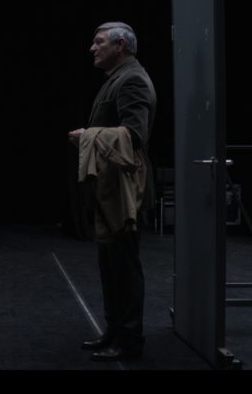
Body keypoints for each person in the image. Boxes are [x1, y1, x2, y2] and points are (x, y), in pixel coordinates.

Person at [68, 21, 156, 362]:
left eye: (99, 42)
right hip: (111, 190)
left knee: (124, 268)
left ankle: (129, 340)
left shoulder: (132, 79)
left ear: (120, 45)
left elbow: (135, 136)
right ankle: (114, 332)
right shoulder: (117, 77)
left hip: (125, 191)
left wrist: (87, 136)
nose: (92, 48)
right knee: (111, 267)